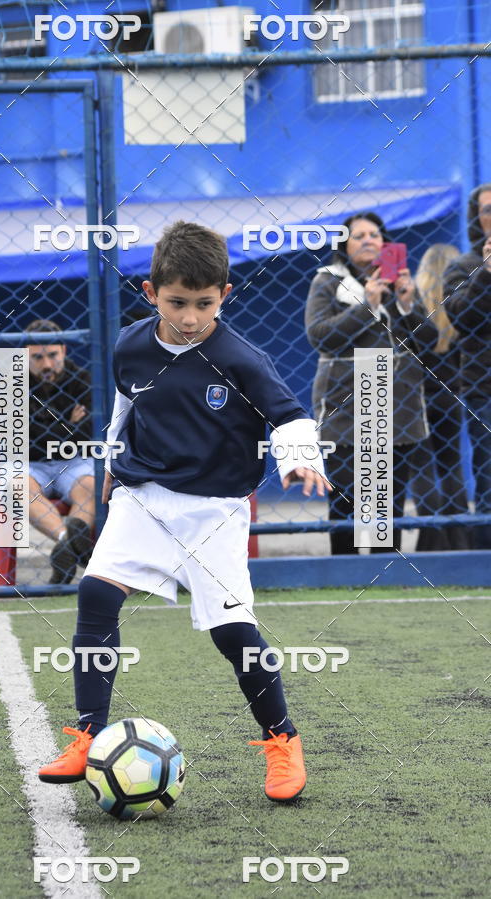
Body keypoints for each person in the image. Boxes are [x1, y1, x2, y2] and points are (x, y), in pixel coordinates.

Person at [37, 221, 331, 802]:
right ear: (151, 294)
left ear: (225, 294)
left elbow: (291, 415)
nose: (191, 317)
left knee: (233, 633)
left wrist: (298, 459)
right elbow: (125, 403)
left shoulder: (242, 360)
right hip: (144, 497)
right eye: (177, 303)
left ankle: (282, 741)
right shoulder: (130, 345)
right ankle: (87, 734)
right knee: (96, 594)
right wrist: (114, 464)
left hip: (216, 509)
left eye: (204, 303)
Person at [304, 211, 439, 554]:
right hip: (346, 399)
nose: (368, 240)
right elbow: (319, 336)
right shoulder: (328, 280)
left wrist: (408, 304)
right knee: (346, 498)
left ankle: (381, 569)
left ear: (386, 244)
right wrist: (367, 305)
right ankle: (344, 570)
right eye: (359, 235)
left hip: (394, 401)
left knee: (385, 502)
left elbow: (430, 342)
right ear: (344, 245)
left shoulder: (398, 281)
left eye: (375, 235)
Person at [26, 319, 95, 584]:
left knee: (90, 485)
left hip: (74, 461)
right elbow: (18, 441)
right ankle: (70, 541)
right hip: (31, 464)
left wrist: (41, 430)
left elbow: (88, 434)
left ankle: (67, 549)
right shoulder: (10, 382)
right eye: (38, 357)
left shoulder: (83, 380)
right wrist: (69, 426)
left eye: (53, 355)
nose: (46, 365)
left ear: (64, 351)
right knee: (16, 488)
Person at [413, 244, 472, 550]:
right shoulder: (461, 305)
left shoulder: (412, 307)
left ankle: (431, 540)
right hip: (452, 395)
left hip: (417, 397)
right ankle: (460, 537)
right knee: (452, 465)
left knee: (422, 467)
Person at [443, 183, 491, 549]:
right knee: (488, 473)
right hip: (485, 388)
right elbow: (463, 318)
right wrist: (486, 274)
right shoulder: (463, 266)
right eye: (487, 210)